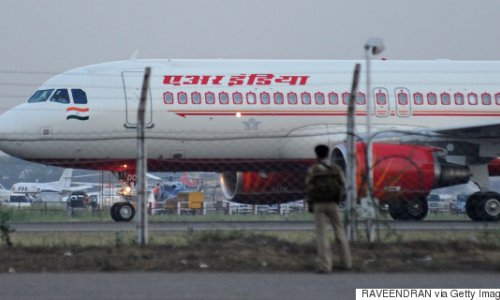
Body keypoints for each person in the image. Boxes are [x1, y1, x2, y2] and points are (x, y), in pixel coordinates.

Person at [306, 144, 352, 273]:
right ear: (327, 154)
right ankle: (346, 262)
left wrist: (310, 205)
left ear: (317, 155)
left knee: (322, 234)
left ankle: (325, 265)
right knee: (339, 231)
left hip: (318, 204)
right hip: (333, 203)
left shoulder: (313, 170)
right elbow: (343, 184)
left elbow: (309, 188)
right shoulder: (335, 168)